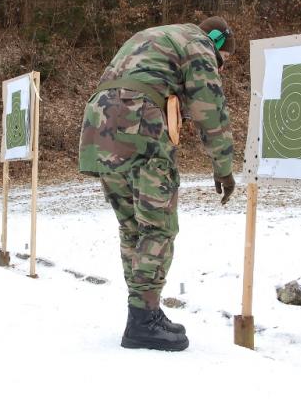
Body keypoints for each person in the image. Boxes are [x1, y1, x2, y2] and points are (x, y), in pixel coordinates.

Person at [78, 17, 237, 351]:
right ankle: (143, 320)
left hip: (98, 123)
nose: (220, 66)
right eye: (222, 60)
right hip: (138, 120)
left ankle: (143, 311)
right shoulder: (200, 44)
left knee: (132, 226)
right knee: (158, 225)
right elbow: (210, 110)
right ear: (218, 43)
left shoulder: (158, 37)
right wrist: (223, 167)